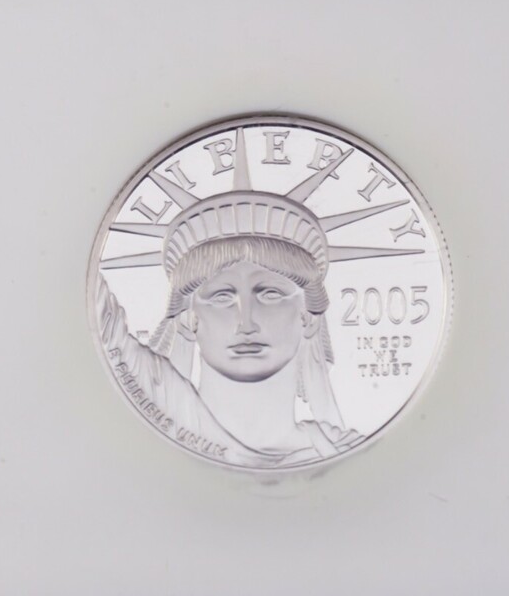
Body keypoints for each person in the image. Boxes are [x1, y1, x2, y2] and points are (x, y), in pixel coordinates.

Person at [96, 190, 360, 468]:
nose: (246, 323)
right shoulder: (164, 407)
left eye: (270, 294)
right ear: (188, 319)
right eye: (222, 297)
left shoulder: (346, 451)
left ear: (308, 318)